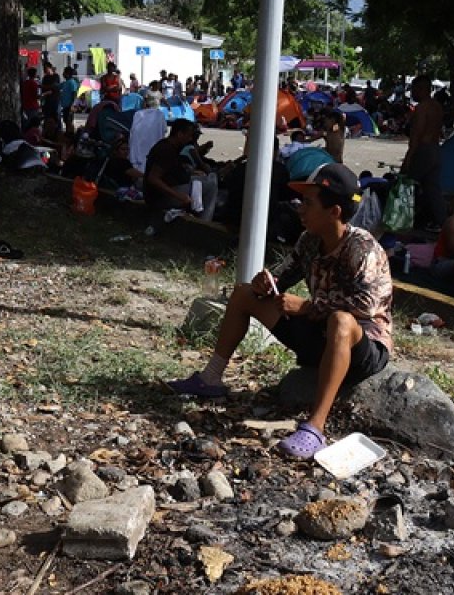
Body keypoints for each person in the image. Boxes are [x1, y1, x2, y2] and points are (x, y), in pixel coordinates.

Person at [165, 164, 393, 458]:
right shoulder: (310, 240)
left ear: (334, 212)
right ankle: (211, 378)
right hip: (318, 333)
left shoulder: (363, 249)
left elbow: (366, 306)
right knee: (243, 294)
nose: (300, 209)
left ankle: (315, 428)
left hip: (362, 348)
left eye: (308, 203)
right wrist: (266, 283)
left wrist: (307, 306)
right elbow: (283, 275)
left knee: (341, 321)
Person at [144, 119, 217, 221]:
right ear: (180, 134)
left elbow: (171, 169)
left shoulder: (171, 146)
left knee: (209, 178)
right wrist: (179, 196)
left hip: (175, 185)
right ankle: (205, 221)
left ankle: (198, 212)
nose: (190, 139)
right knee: (211, 186)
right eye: (189, 135)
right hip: (161, 197)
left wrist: (192, 172)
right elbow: (153, 179)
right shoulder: (166, 150)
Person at [402, 75, 446, 232]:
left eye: (413, 90)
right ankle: (441, 221)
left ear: (421, 89)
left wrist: (408, 159)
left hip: (423, 150)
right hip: (436, 149)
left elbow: (416, 136)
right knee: (432, 188)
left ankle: (403, 218)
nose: (411, 94)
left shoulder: (421, 108)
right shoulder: (437, 107)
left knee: (407, 185)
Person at [59, 67, 79, 135]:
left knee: (68, 121)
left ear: (68, 74)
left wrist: (72, 105)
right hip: (65, 106)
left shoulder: (72, 82)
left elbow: (74, 94)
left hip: (69, 106)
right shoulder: (65, 82)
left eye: (64, 72)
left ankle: (70, 134)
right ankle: (68, 133)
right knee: (66, 120)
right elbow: (58, 86)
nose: (63, 74)